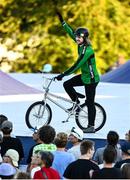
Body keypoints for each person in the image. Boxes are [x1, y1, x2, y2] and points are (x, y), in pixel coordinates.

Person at [55, 11, 100, 133]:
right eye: (76, 37)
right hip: (85, 76)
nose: (77, 39)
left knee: (90, 102)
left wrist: (63, 74)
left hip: (91, 79)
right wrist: (63, 22)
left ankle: (91, 126)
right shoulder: (79, 43)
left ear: (84, 38)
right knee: (67, 84)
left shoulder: (88, 50)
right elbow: (71, 33)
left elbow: (76, 65)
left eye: (79, 37)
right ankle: (76, 101)